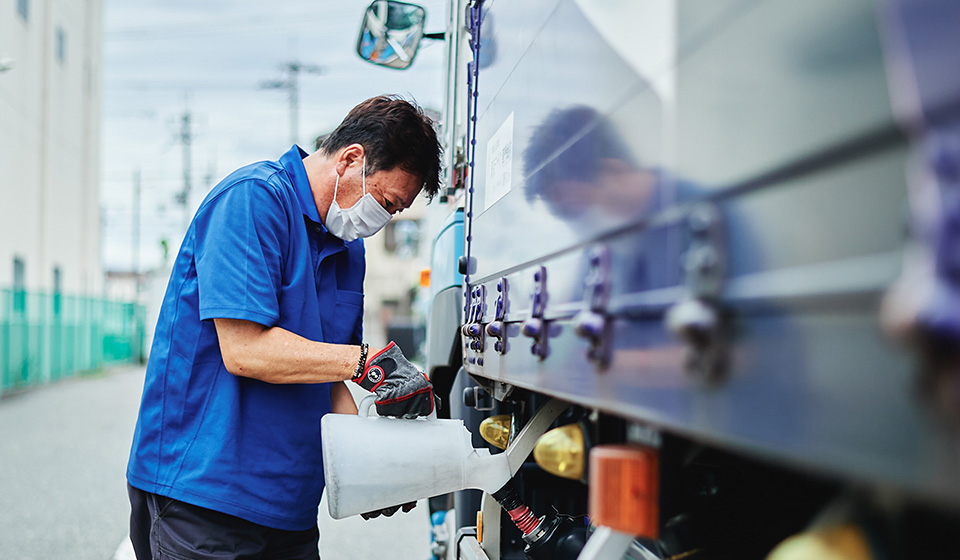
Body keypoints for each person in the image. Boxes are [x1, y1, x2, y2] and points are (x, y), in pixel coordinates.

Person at [126, 95, 442, 560]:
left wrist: (371, 470)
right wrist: (365, 362)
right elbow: (247, 350)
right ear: (352, 159)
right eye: (385, 202)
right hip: (204, 497)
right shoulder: (253, 200)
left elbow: (331, 374)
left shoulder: (347, 248)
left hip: (288, 509)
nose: (382, 220)